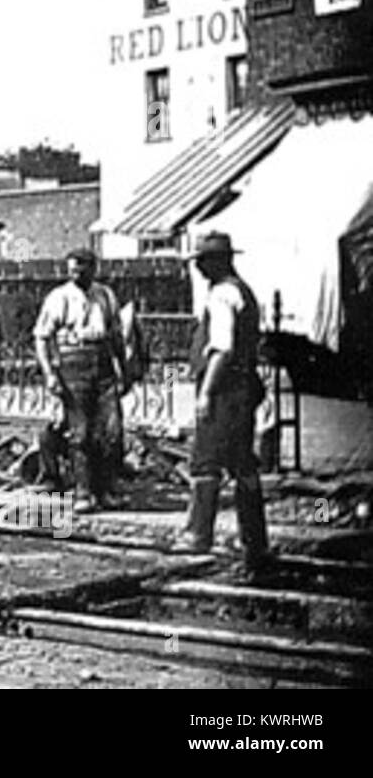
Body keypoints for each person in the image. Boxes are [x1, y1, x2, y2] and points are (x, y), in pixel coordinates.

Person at [172, 232, 271, 579]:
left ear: (218, 261)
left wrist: (206, 393)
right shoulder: (243, 290)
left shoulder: (222, 294)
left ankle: (198, 534)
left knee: (206, 461)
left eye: (202, 261)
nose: (198, 268)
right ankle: (255, 543)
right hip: (243, 386)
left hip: (225, 389)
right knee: (242, 463)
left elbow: (222, 348)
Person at [33, 247, 128, 513]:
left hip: (103, 361)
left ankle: (106, 489)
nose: (78, 273)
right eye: (73, 269)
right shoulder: (59, 297)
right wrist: (50, 374)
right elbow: (42, 337)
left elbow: (117, 335)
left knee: (111, 430)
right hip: (72, 362)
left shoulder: (105, 295)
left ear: (93, 268)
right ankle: (83, 491)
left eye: (83, 268)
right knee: (81, 432)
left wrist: (125, 369)